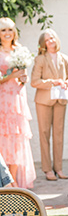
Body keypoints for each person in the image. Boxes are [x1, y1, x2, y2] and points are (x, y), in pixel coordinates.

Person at [31, 29, 68, 181]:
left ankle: (59, 168)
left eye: (53, 38)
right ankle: (47, 169)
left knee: (59, 135)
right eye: (48, 39)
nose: (51, 41)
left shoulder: (64, 58)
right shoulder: (40, 59)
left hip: (60, 99)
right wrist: (53, 82)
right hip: (44, 101)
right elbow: (34, 82)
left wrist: (67, 83)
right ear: (43, 43)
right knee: (44, 134)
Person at [0, 17, 36, 189]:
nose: (7, 33)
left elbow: (24, 77)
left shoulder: (20, 50)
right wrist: (12, 76)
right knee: (3, 139)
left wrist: (23, 78)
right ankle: (5, 181)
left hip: (17, 99)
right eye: (3, 30)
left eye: (10, 30)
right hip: (2, 100)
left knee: (16, 139)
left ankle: (13, 181)